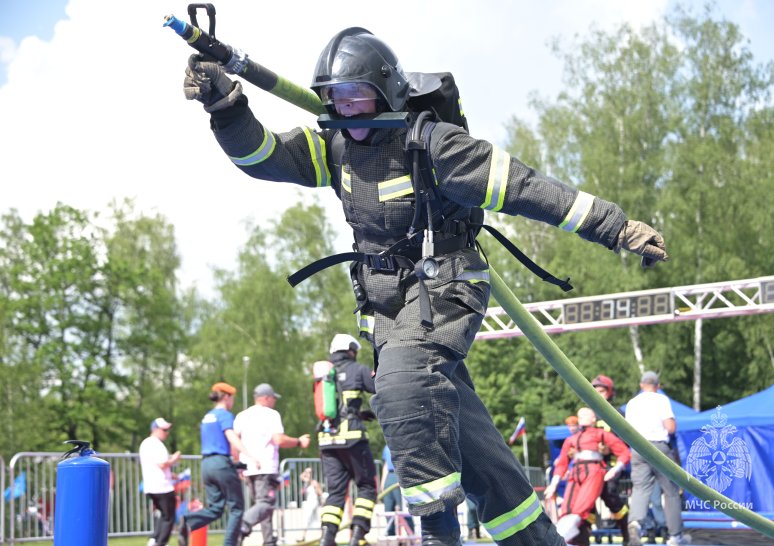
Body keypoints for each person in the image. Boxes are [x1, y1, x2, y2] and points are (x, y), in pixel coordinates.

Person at [181, 27, 668, 545]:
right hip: (386, 308)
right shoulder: (335, 146)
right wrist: (225, 106)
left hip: (444, 289)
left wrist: (616, 227)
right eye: (335, 98)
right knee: (475, 453)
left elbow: (526, 187)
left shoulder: (436, 145)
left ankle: (437, 533)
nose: (347, 109)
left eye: (357, 95)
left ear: (387, 92)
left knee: (401, 386)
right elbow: (264, 157)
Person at [314, 334, 378, 546]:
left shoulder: (324, 375)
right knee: (367, 486)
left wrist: (358, 413)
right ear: (351, 350)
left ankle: (327, 538)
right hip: (352, 439)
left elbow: (335, 406)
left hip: (327, 441)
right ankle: (357, 536)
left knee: (335, 493)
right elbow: (378, 387)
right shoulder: (357, 369)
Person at [180, 382, 261, 546]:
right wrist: (250, 456)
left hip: (206, 465)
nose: (233, 402)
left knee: (216, 508)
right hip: (220, 463)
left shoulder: (207, 417)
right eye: (232, 398)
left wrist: (235, 464)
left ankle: (188, 521)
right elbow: (231, 437)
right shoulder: (225, 415)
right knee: (237, 508)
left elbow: (215, 442)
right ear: (226, 397)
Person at [234, 383, 312, 546]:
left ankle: (268, 541)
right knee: (266, 504)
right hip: (265, 467)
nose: (274, 401)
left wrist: (238, 464)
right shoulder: (271, 414)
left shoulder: (242, 415)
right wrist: (299, 441)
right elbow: (279, 439)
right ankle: (242, 525)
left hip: (248, 468)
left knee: (262, 508)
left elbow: (234, 443)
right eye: (273, 398)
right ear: (266, 398)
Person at [545, 408, 630, 546]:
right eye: (579, 415)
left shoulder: (601, 434)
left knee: (589, 507)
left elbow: (623, 451)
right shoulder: (571, 439)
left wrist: (616, 469)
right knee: (568, 509)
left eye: (585, 414)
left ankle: (628, 533)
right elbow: (562, 464)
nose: (581, 416)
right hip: (577, 473)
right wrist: (553, 484)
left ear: (593, 419)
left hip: (596, 473)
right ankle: (576, 540)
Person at [624, 372, 689, 546]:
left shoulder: (632, 403)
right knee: (671, 492)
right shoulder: (661, 400)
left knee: (640, 489)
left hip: (638, 447)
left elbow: (626, 428)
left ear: (641, 385)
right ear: (658, 386)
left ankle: (636, 523)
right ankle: (675, 536)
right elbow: (670, 427)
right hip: (658, 447)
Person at [589, 374, 630, 541]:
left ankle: (626, 531)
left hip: (612, 464)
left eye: (602, 391)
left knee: (609, 494)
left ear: (610, 392)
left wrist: (608, 449)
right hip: (592, 465)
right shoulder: (590, 414)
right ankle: (585, 535)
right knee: (588, 497)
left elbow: (625, 440)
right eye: (595, 391)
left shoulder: (617, 414)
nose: (598, 395)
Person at [139, 417, 181, 546]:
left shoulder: (146, 443)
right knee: (169, 517)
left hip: (151, 486)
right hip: (162, 486)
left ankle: (154, 540)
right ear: (155, 429)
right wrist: (174, 459)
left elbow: (154, 466)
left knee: (164, 515)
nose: (166, 432)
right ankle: (161, 542)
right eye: (164, 430)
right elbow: (162, 464)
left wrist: (171, 475)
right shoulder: (156, 444)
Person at [381, 445, 415, 538]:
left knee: (402, 509)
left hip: (399, 475)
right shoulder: (386, 447)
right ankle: (391, 534)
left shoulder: (401, 443)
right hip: (389, 477)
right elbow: (385, 465)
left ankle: (411, 534)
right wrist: (383, 483)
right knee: (388, 509)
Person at [299, 467, 323, 542]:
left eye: (309, 473)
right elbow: (301, 476)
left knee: (308, 518)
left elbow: (320, 492)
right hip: (310, 502)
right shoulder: (307, 482)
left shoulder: (314, 482)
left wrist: (316, 489)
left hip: (313, 502)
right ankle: (322, 536)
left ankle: (303, 536)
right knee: (315, 519)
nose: (307, 474)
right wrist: (306, 471)